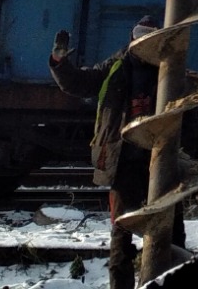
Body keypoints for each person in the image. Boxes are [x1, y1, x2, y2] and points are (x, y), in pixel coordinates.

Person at [51, 16, 161, 289]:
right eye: (139, 33)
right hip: (124, 162)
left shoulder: (168, 71)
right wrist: (59, 63)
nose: (143, 39)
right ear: (132, 36)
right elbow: (79, 82)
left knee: (167, 231)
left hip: (159, 162)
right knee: (121, 234)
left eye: (149, 35)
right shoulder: (116, 67)